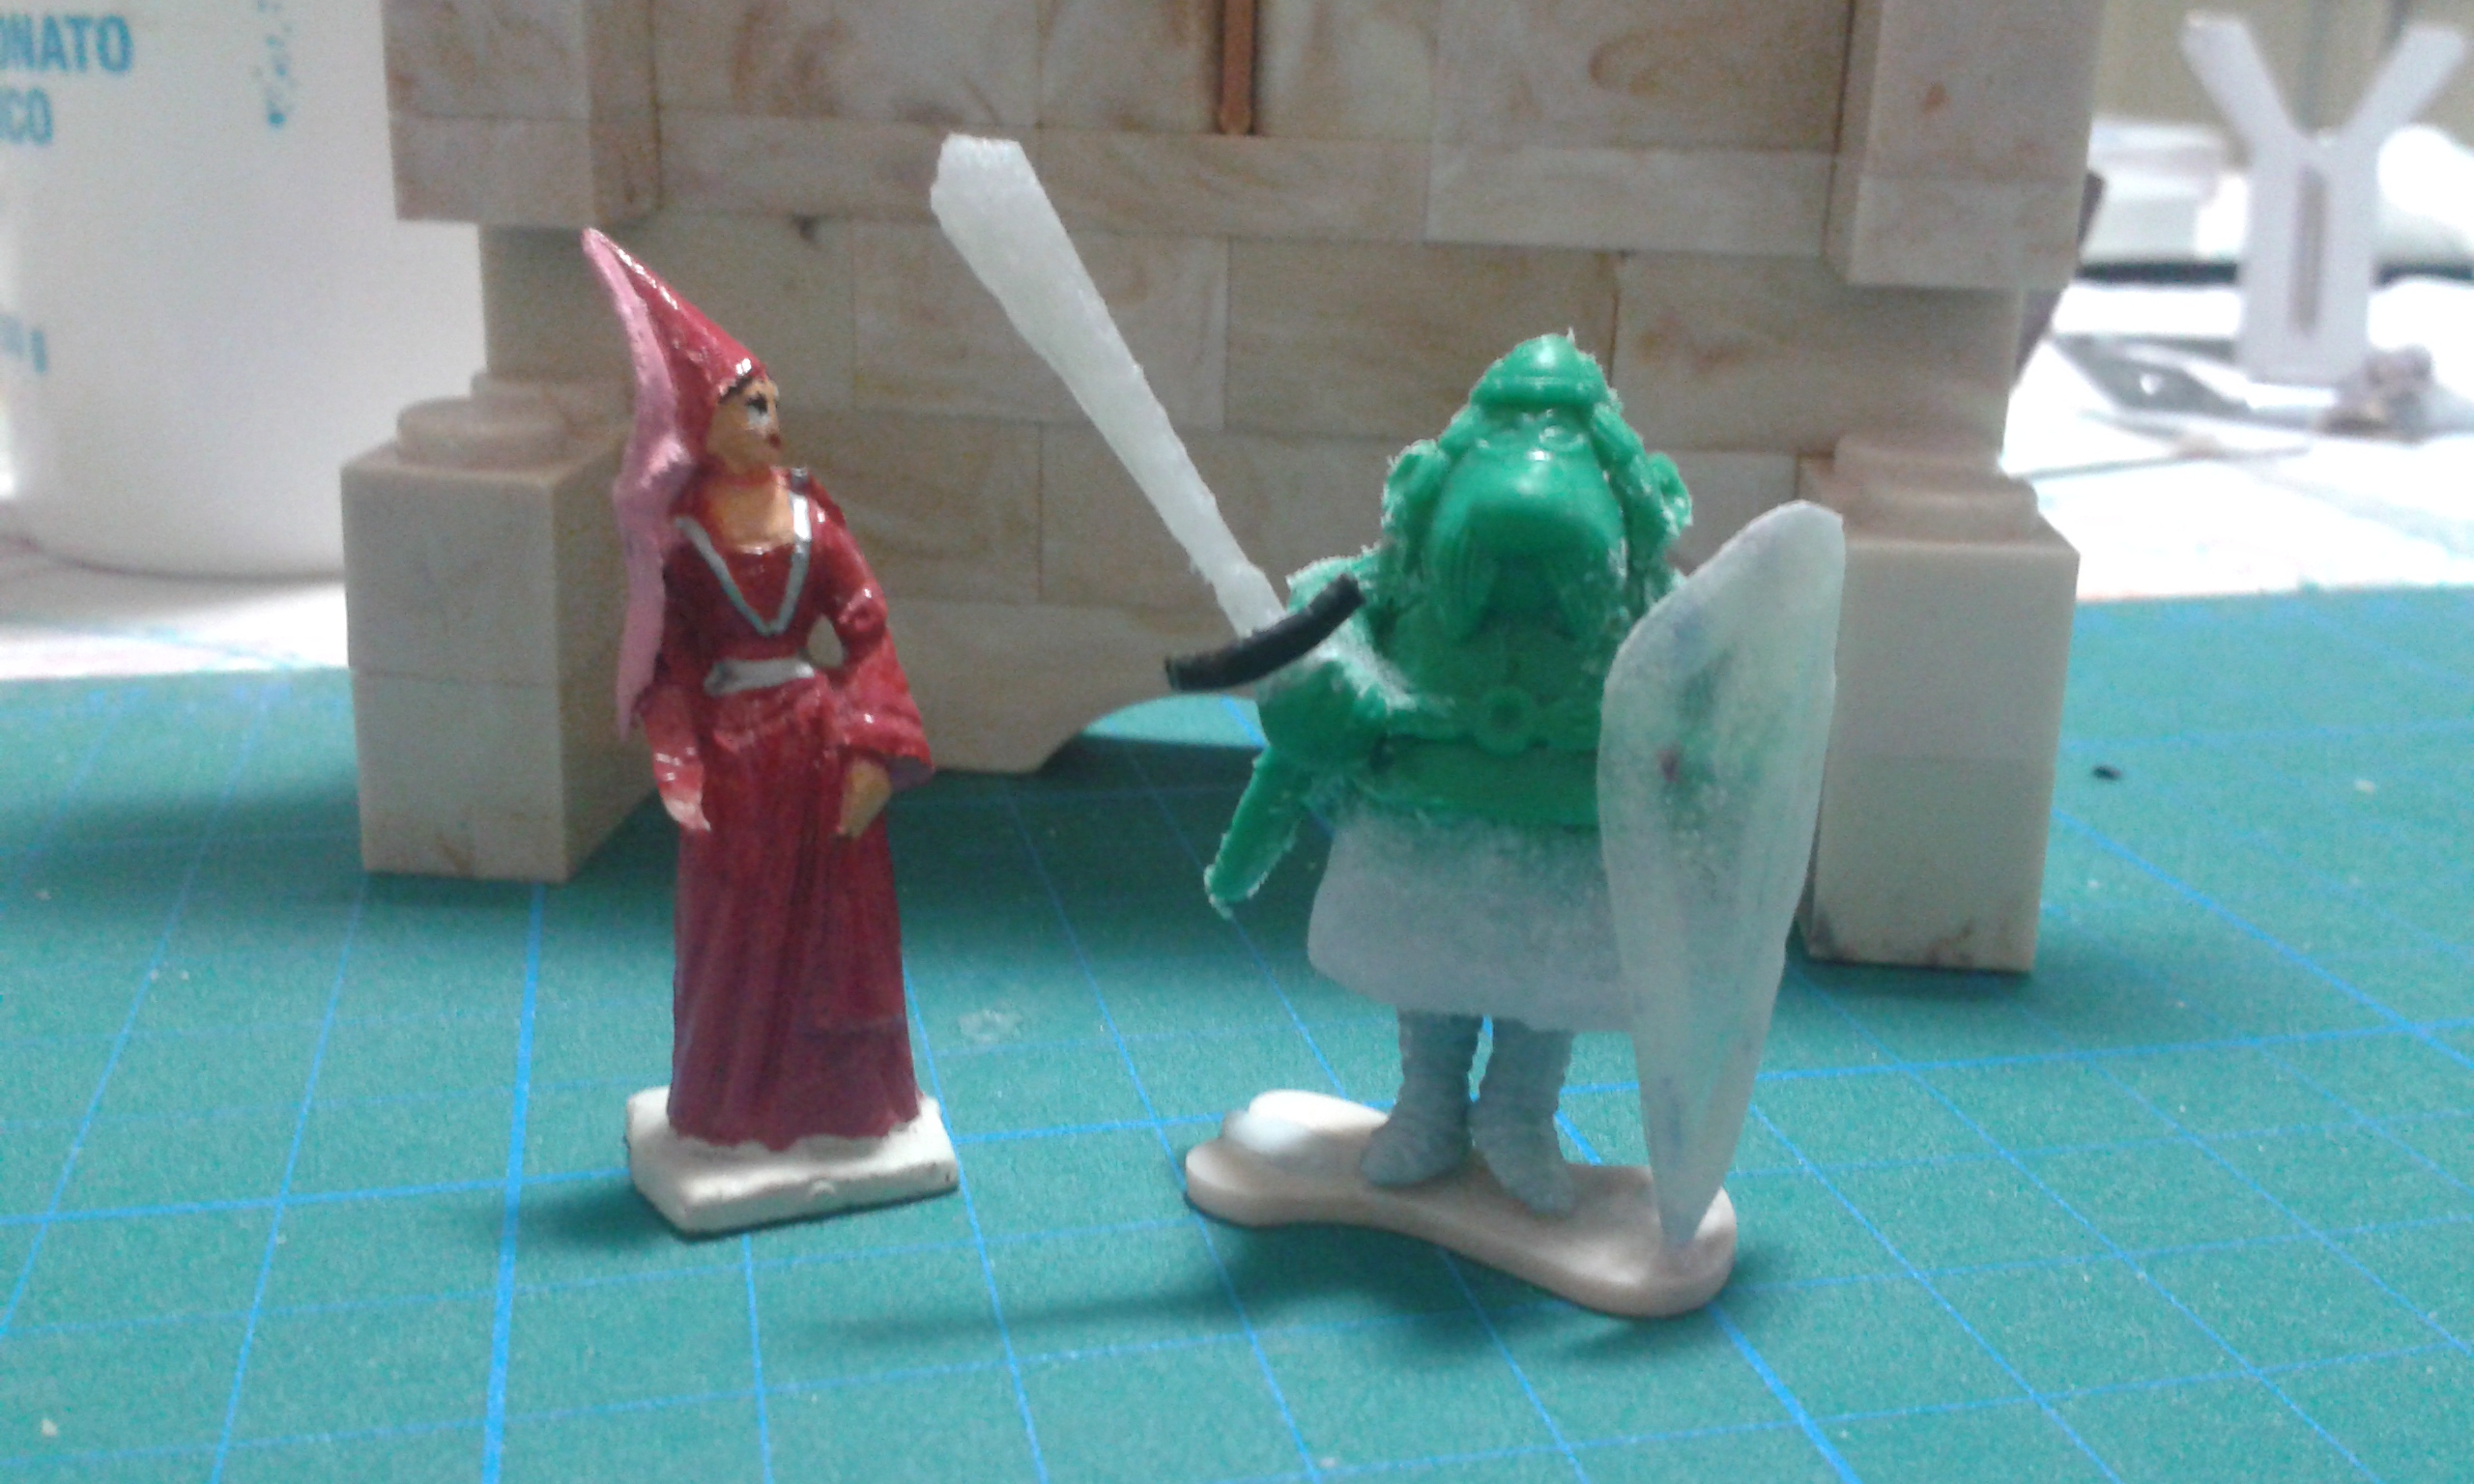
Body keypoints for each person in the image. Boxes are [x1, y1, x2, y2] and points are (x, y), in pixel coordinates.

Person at [1205, 334, 1690, 1216]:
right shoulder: (1390, 591)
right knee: (1430, 978)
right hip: (1422, 840)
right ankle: (1429, 1105)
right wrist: (1322, 697)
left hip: (1567, 849)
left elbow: (1705, 716)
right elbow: (1311, 691)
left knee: (1544, 995)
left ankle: (1519, 1116)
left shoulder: (1646, 612)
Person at [584, 230, 933, 1154]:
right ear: (703, 421)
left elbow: (866, 628)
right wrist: (678, 752)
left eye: (772, 402)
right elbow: (672, 659)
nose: (771, 420)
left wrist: (872, 750)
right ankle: (732, 1105)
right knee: (733, 939)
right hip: (737, 766)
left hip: (815, 752)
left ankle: (842, 1108)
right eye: (749, 406)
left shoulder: (812, 519)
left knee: (831, 934)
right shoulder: (683, 538)